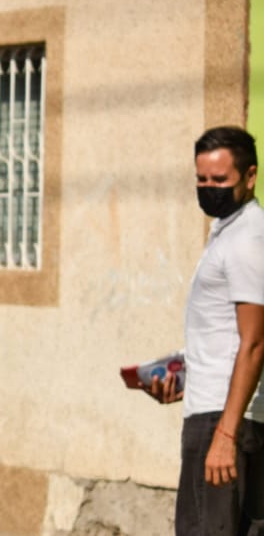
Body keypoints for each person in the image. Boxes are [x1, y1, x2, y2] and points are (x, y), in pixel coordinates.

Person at [148, 125, 264, 535]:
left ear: (250, 177)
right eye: (201, 179)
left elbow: (254, 342)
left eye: (219, 180)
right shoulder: (232, 232)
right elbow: (230, 339)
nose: (208, 188)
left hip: (223, 421)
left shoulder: (246, 240)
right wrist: (184, 374)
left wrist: (225, 435)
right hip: (221, 411)